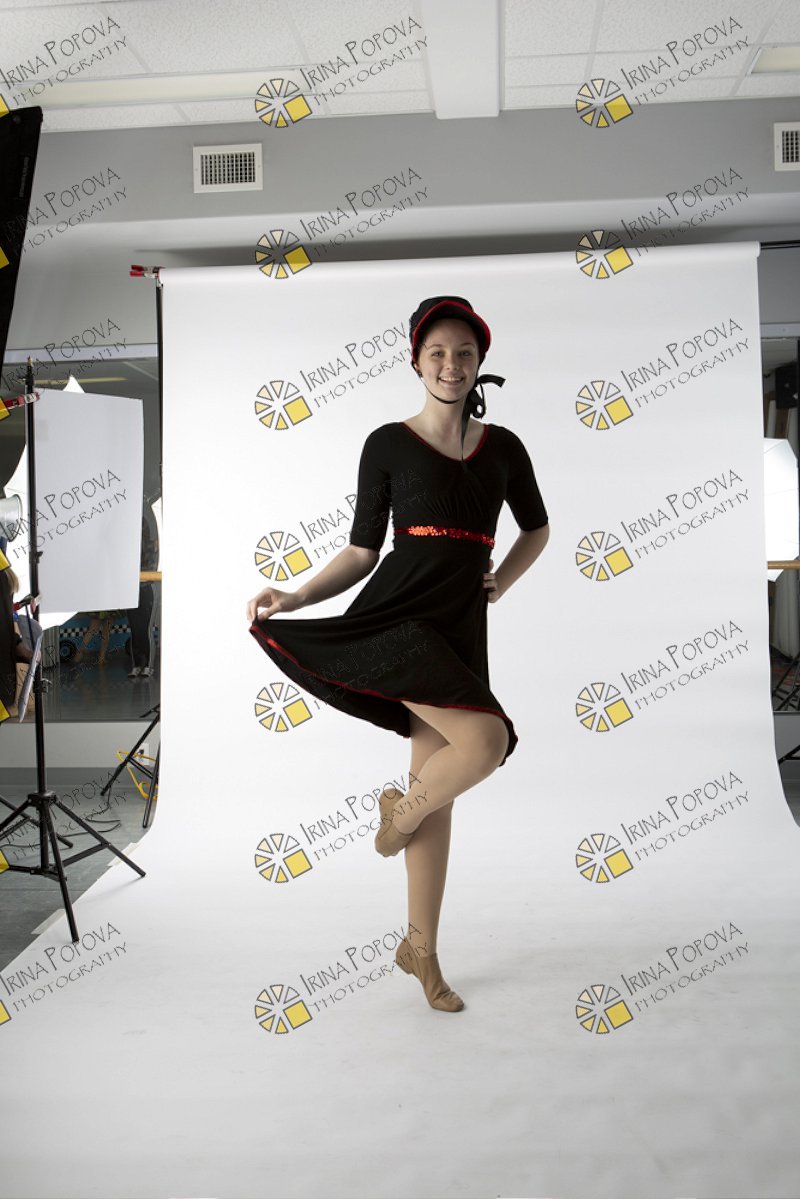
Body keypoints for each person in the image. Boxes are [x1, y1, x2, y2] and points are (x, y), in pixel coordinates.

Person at [246, 296, 550, 1013]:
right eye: (438, 352)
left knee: (439, 785)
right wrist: (295, 596)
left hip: (460, 626)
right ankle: (401, 812)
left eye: (465, 353)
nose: (451, 364)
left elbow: (536, 529)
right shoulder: (387, 442)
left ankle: (421, 947)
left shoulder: (505, 448)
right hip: (398, 620)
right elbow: (362, 551)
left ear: (480, 362)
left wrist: (500, 582)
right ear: (417, 361)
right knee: (487, 742)